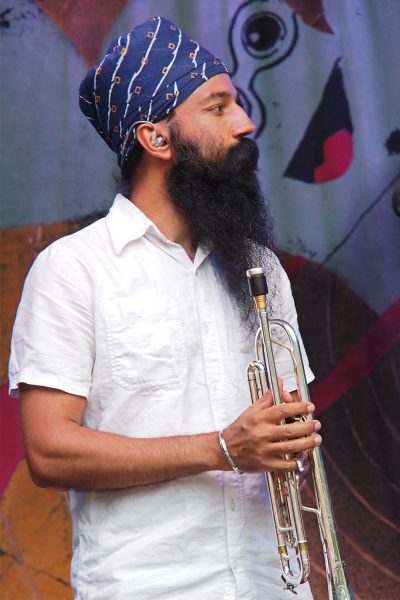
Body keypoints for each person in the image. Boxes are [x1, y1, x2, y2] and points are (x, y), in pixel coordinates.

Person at [9, 16, 321, 600]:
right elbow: (49, 450)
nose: (246, 124)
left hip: (273, 585)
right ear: (157, 139)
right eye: (218, 108)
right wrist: (223, 448)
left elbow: (288, 424)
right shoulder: (73, 270)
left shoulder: (261, 267)